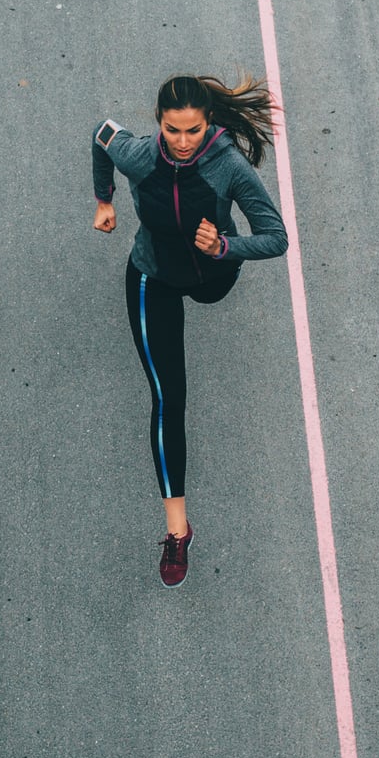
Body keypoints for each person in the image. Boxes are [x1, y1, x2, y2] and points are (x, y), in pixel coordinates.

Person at [92, 75, 288, 586]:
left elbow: (276, 237)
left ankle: (209, 268)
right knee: (167, 396)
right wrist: (104, 200)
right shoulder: (138, 154)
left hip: (211, 277)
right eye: (173, 130)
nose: (182, 142)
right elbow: (100, 135)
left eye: (193, 131)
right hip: (152, 275)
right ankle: (178, 530)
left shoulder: (229, 167)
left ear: (209, 125)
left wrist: (225, 248)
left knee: (208, 294)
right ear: (158, 123)